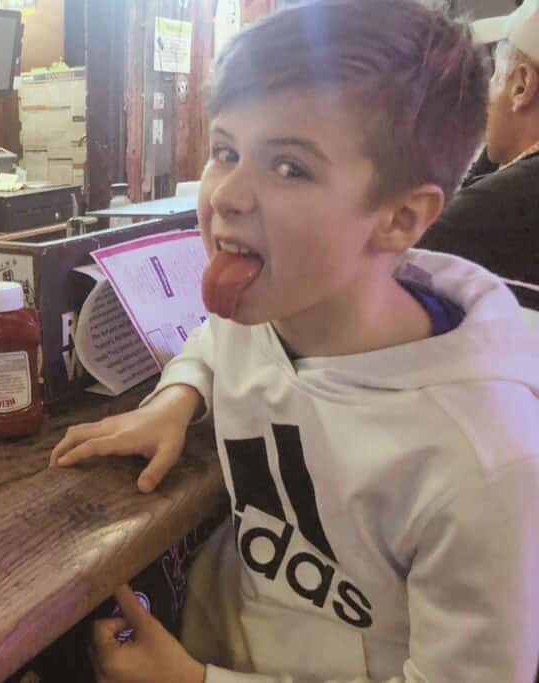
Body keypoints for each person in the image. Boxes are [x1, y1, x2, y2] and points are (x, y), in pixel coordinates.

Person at [51, 1, 539, 681]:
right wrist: (176, 397)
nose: (225, 194)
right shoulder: (278, 307)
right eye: (225, 151)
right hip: (211, 632)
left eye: (289, 168)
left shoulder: (482, 461)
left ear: (401, 217)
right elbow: (217, 340)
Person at [419, 0, 539, 310]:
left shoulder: (498, 208)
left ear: (522, 86)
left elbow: (390, 260)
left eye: (495, 75)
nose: (486, 94)